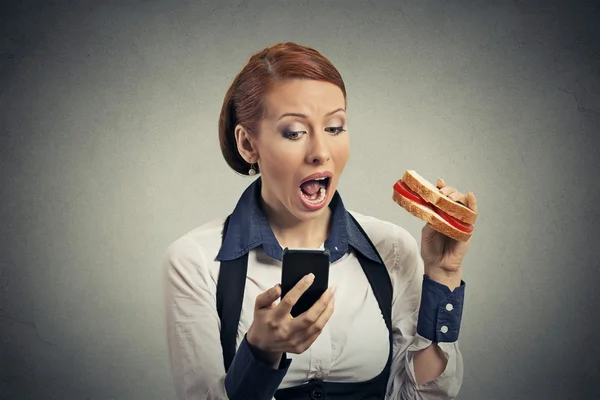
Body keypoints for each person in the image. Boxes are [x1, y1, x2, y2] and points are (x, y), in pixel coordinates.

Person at [163, 42, 478, 400]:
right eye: (294, 132)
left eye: (334, 127)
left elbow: (421, 396)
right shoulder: (196, 260)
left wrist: (443, 274)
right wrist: (261, 353)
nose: (320, 153)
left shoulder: (390, 248)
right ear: (248, 145)